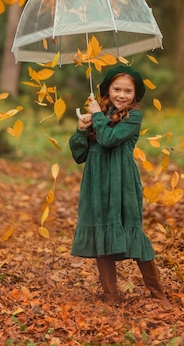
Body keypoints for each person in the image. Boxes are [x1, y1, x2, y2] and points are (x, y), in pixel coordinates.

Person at [69, 64, 172, 308]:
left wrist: (96, 117)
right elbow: (78, 154)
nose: (121, 95)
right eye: (117, 89)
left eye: (128, 91)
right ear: (107, 90)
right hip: (96, 184)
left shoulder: (133, 117)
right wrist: (82, 130)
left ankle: (158, 294)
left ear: (135, 95)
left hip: (122, 182)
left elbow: (108, 139)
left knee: (133, 232)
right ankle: (111, 297)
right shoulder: (100, 115)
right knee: (101, 237)